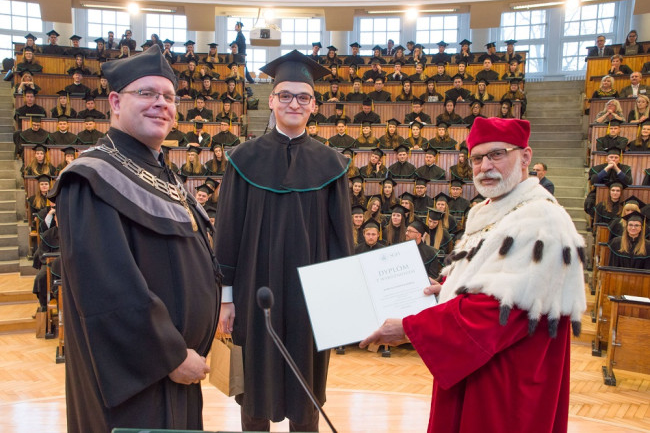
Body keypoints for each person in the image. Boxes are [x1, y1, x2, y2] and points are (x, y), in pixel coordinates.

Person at [360, 116, 586, 433]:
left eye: (496, 154)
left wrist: (411, 328)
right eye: (477, 158)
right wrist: (446, 290)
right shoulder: (493, 211)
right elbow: (486, 283)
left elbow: (500, 312)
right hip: (477, 368)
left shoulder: (541, 220)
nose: (484, 166)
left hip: (506, 386)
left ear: (525, 157)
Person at [49, 46, 220, 431]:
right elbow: (108, 289)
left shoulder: (168, 176)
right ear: (114, 101)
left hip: (179, 375)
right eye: (146, 93)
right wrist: (171, 356)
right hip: (137, 380)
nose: (160, 103)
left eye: (169, 96)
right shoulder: (91, 178)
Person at [214, 50, 353, 432]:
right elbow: (227, 232)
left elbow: (342, 238)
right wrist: (226, 299)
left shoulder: (332, 164)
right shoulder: (243, 159)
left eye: (303, 97)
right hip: (254, 289)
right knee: (255, 382)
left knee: (306, 385)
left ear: (314, 105)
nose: (295, 103)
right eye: (286, 95)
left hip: (312, 293)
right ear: (272, 100)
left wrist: (342, 300)